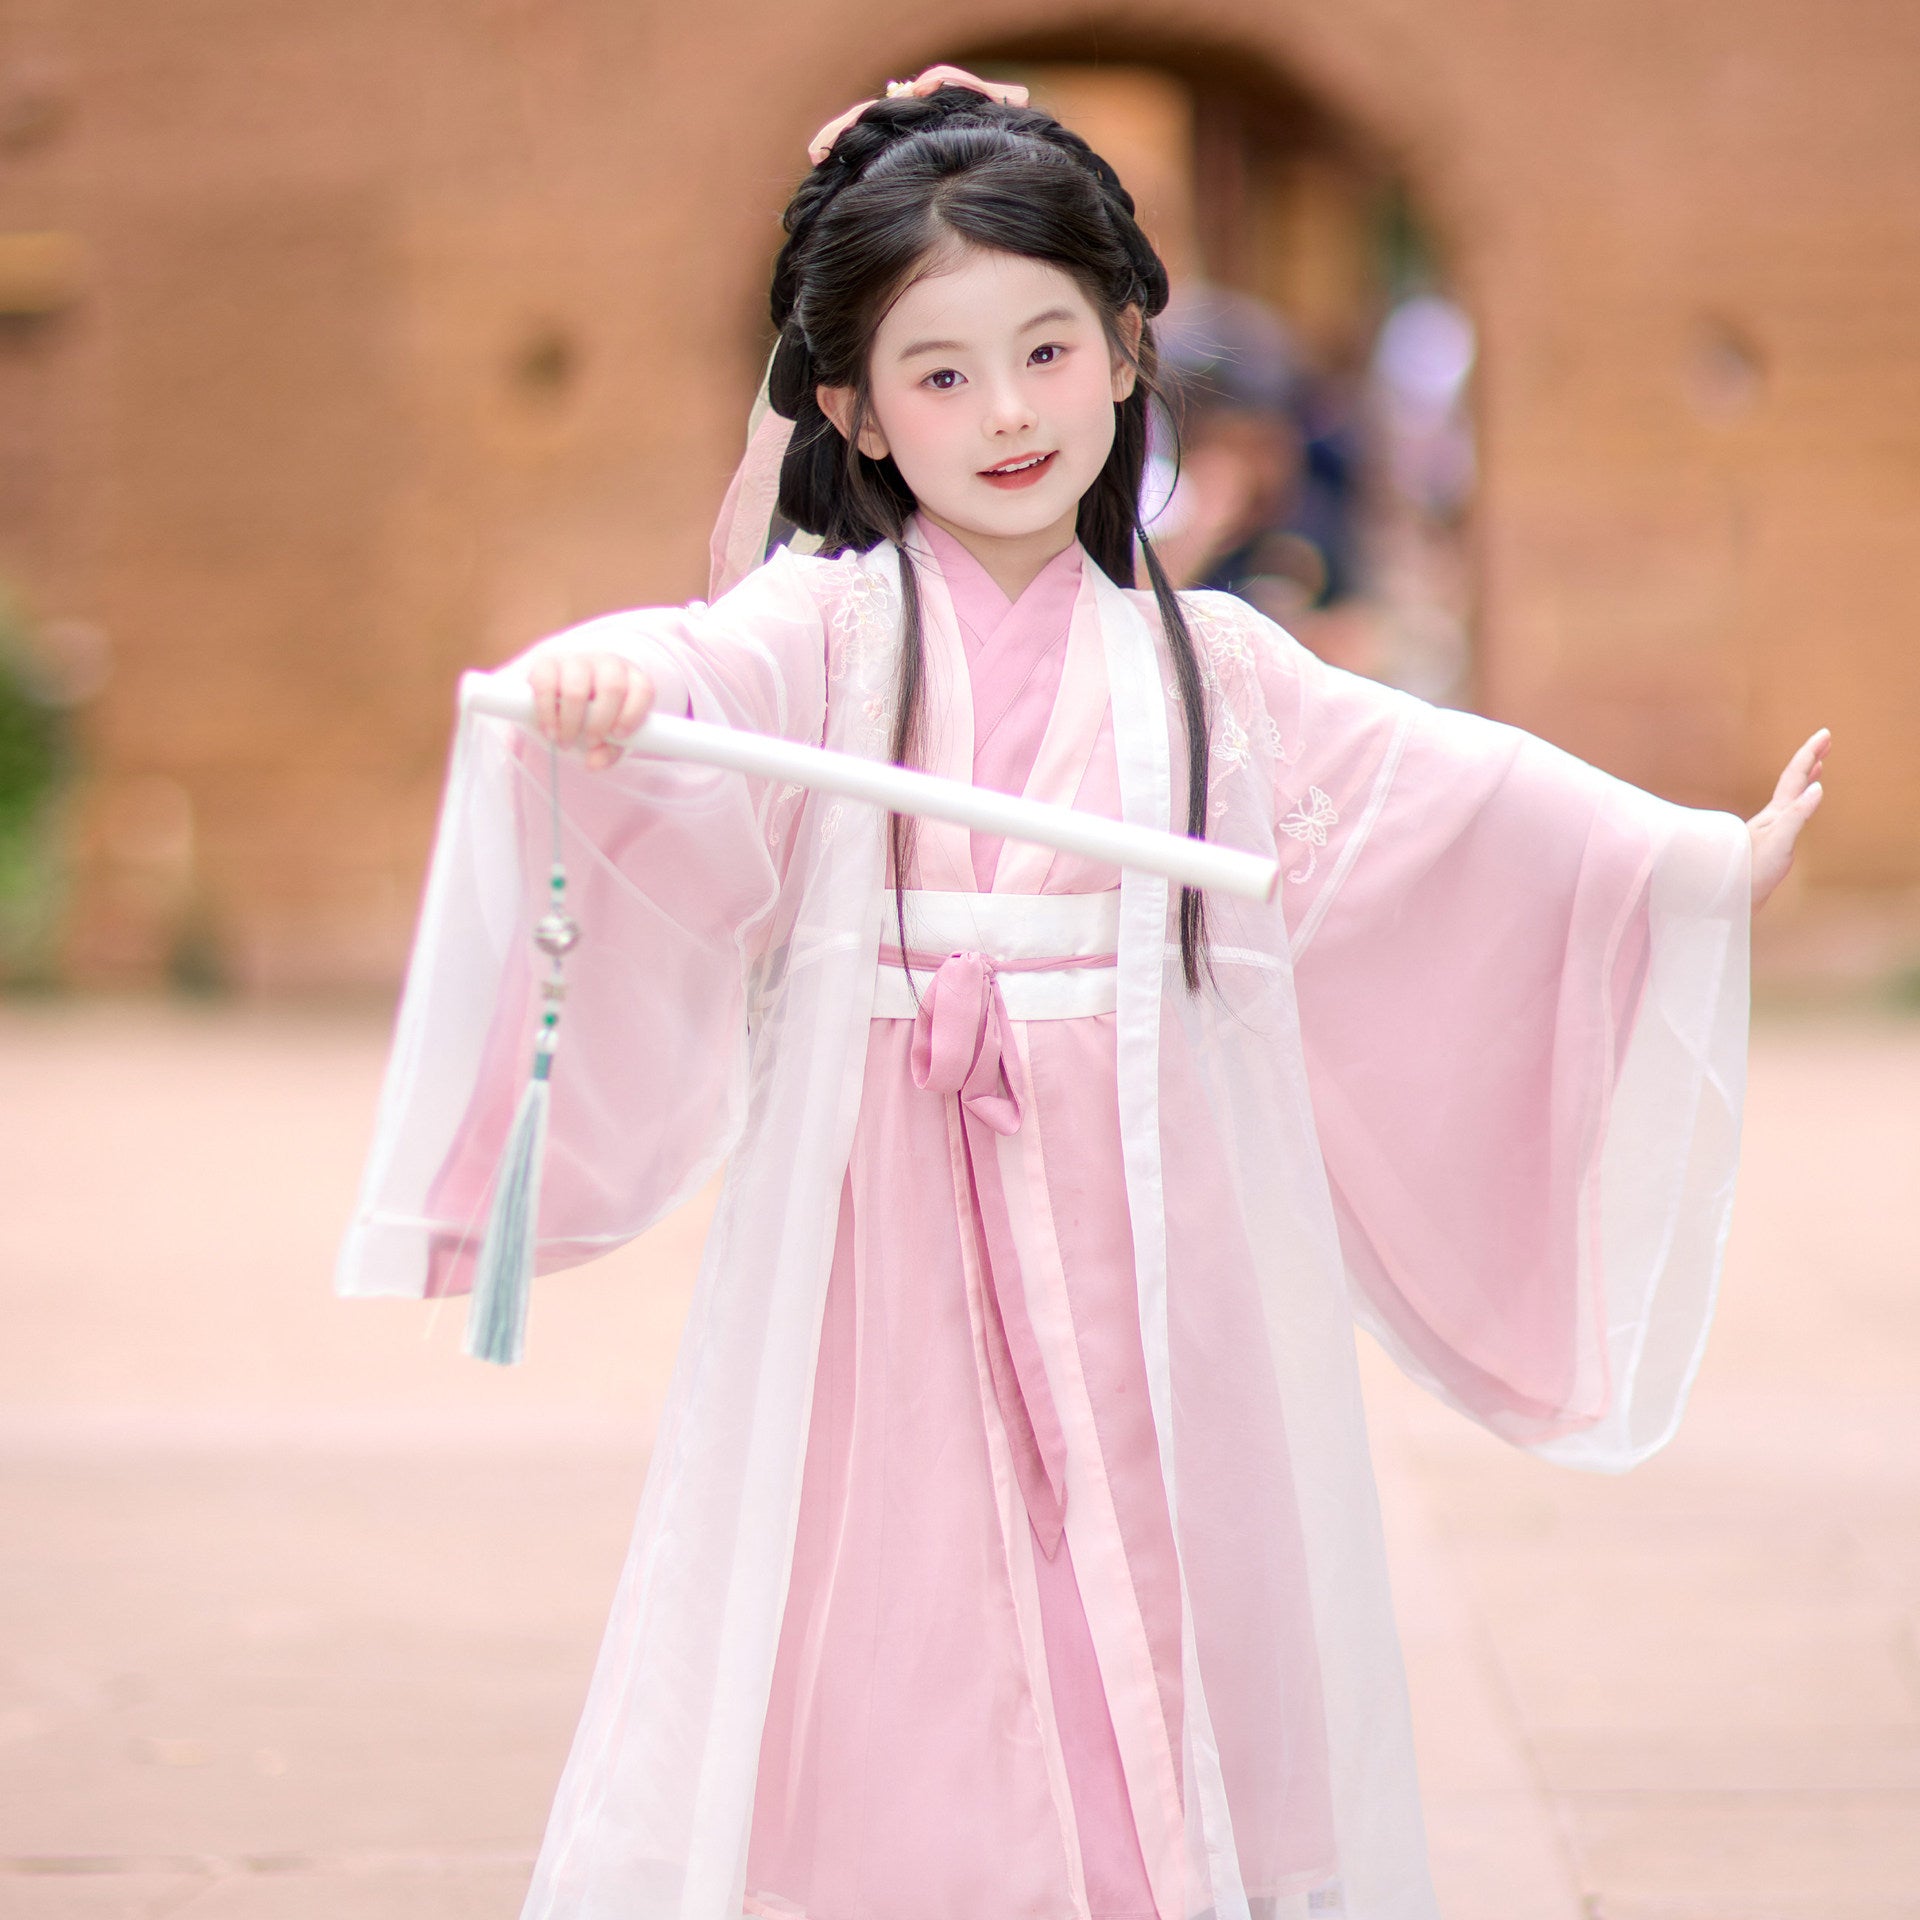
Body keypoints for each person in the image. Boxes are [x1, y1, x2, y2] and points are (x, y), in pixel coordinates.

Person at [335, 67, 1828, 1920]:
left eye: (1046, 349)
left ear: (1130, 350)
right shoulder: (829, 626)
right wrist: (600, 690)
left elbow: (1431, 792)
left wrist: (1673, 862)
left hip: (1141, 1209)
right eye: (938, 372)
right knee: (902, 1594)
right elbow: (696, 672)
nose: (1005, 411)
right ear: (851, 411)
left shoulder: (1205, 664)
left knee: (1149, 1580)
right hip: (885, 1220)